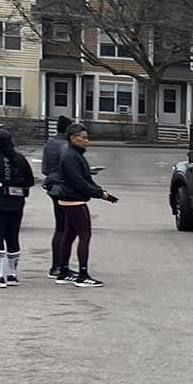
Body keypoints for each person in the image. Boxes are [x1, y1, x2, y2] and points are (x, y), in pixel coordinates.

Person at [53, 122, 118, 286]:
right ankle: (83, 275)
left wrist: (101, 192)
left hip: (69, 200)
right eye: (83, 138)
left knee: (69, 235)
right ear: (73, 138)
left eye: (87, 138)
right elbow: (78, 182)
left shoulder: (74, 155)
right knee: (84, 235)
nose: (87, 141)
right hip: (74, 201)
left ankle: (63, 271)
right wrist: (99, 194)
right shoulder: (70, 156)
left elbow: (85, 178)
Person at [0, 127, 36, 285]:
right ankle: (12, 275)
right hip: (16, 202)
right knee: (13, 237)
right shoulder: (20, 158)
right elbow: (30, 181)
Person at [41, 116, 71, 278]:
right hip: (64, 188)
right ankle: (59, 266)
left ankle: (58, 265)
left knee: (60, 227)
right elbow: (69, 169)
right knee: (64, 229)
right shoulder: (65, 146)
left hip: (53, 188)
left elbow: (45, 169)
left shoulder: (49, 144)